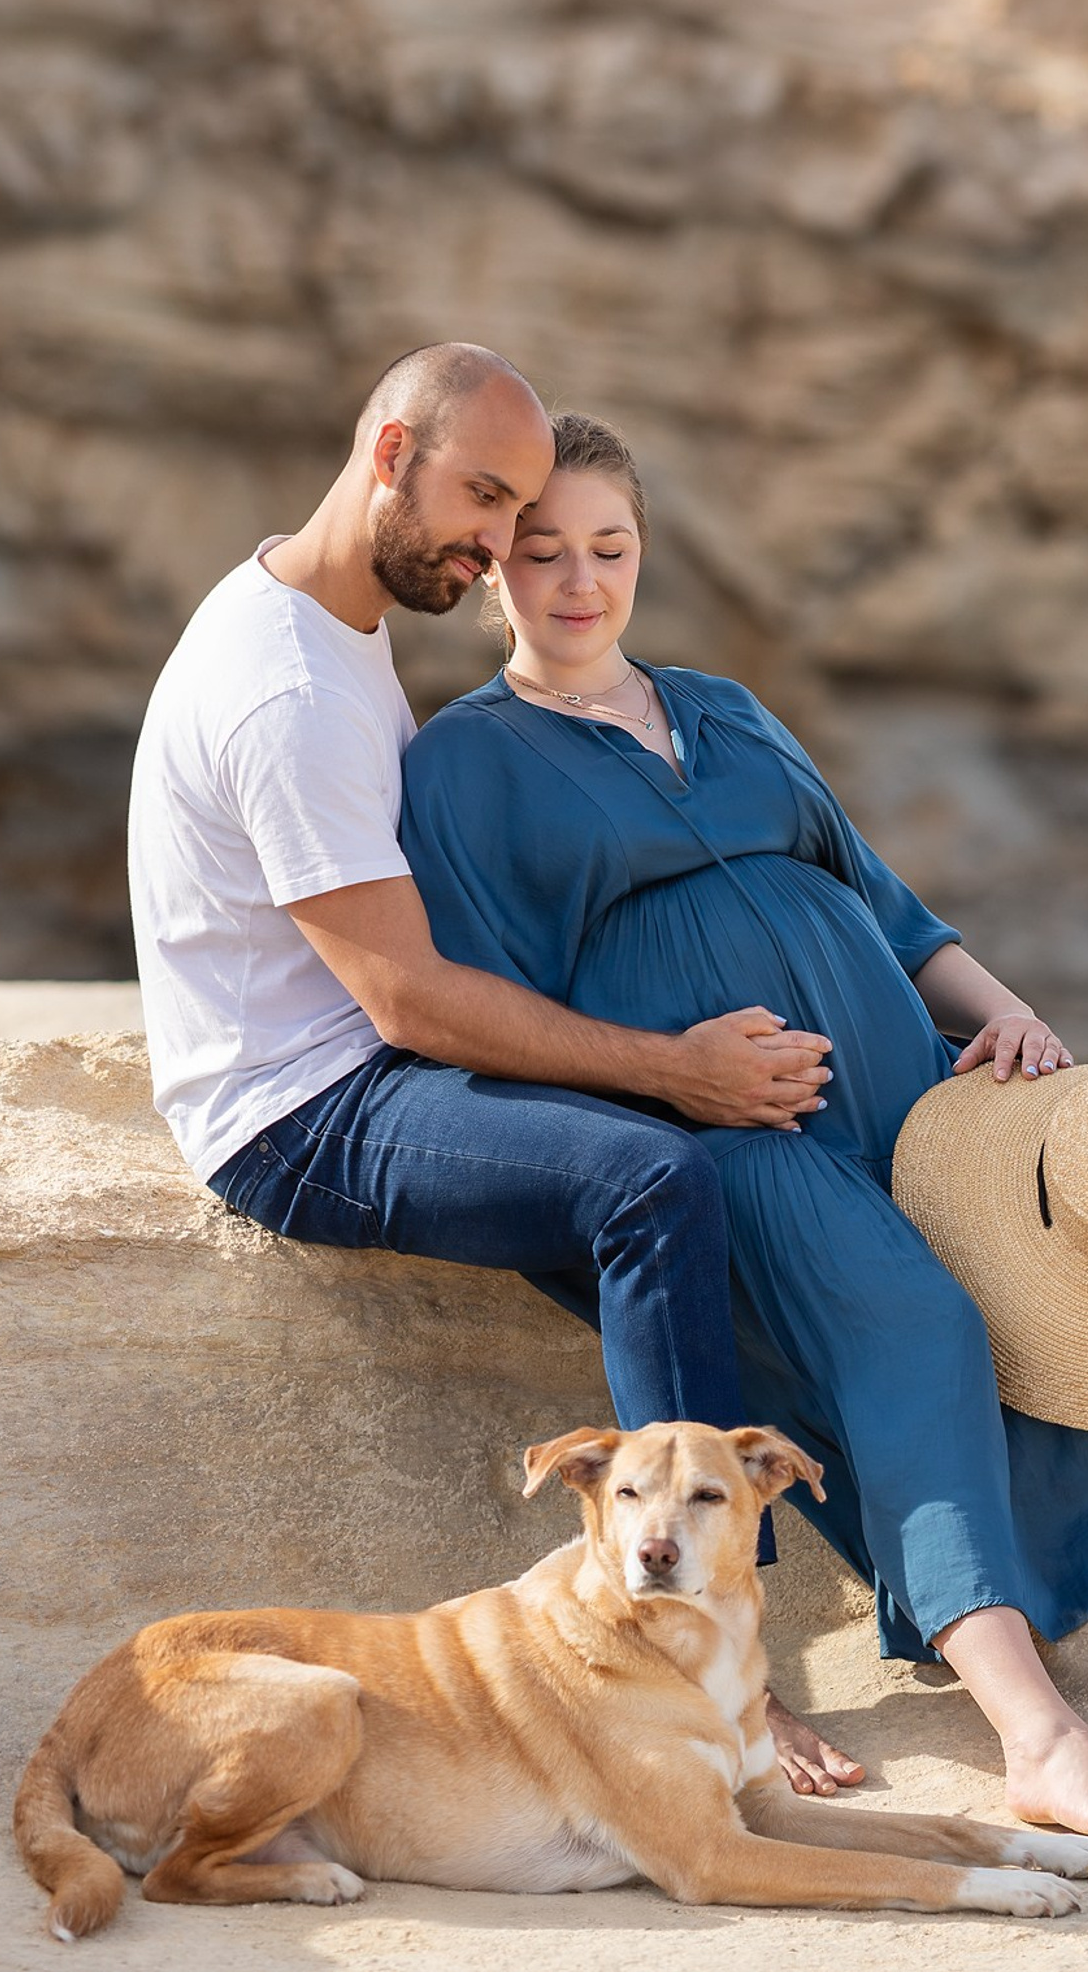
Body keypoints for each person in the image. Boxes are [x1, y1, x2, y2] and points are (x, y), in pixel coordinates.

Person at [397, 413, 1088, 1846]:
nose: (578, 581)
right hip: (724, 1127)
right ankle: (1036, 1730)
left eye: (608, 549)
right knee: (916, 1321)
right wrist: (678, 1078)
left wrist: (1012, 1021)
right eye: (542, 552)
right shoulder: (466, 765)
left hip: (914, 1091)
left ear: (643, 554)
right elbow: (496, 1006)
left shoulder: (727, 708)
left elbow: (883, 903)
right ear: (494, 566)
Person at [125, 343, 837, 1744]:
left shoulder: (319, 608)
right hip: (297, 1111)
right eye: (487, 499)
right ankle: (716, 1669)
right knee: (653, 1178)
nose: (502, 544)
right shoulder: (292, 694)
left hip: (354, 1058)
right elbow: (406, 1001)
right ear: (388, 454)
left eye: (517, 513)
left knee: (709, 1199)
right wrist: (672, 1064)